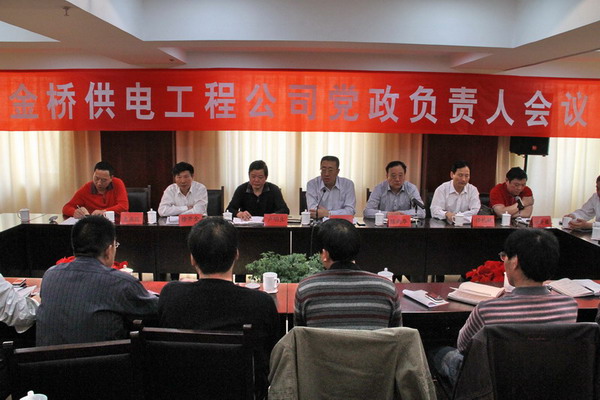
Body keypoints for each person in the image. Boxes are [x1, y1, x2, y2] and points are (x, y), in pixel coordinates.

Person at [430, 229, 578, 388]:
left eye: (504, 256)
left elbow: (462, 347)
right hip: (545, 384)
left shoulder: (487, 310)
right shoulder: (569, 306)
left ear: (515, 262)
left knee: (436, 351)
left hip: (492, 386)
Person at [158, 217, 279, 400]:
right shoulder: (261, 303)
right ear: (236, 255)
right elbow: (272, 358)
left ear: (192, 259)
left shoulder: (170, 295)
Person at [36, 216, 158, 346]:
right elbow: (158, 308)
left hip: (48, 358)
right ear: (109, 250)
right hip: (102, 359)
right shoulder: (120, 282)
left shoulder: (50, 275)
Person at [294, 218, 402, 329]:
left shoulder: (307, 289)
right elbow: (397, 335)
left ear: (325, 254)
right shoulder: (387, 289)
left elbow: (300, 334)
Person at [62, 161, 129, 218]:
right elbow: (66, 207)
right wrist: (74, 212)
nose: (99, 183)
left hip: (115, 223)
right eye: (96, 178)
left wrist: (103, 211)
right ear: (93, 174)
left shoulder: (117, 183)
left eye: (104, 180)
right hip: (94, 224)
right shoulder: (87, 188)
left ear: (111, 178)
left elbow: (124, 207)